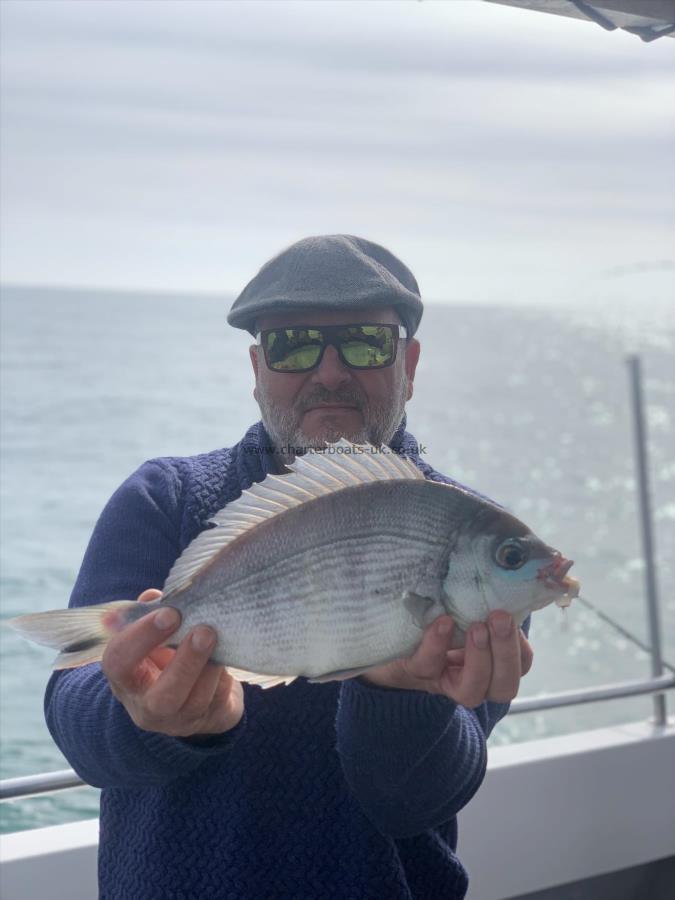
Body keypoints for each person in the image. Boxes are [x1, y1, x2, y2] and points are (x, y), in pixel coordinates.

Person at [45, 234, 533, 900]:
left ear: (409, 364)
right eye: (293, 344)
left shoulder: (480, 543)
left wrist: (401, 698)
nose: (328, 371)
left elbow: (413, 806)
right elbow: (76, 719)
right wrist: (144, 715)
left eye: (364, 344)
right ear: (256, 368)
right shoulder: (165, 498)